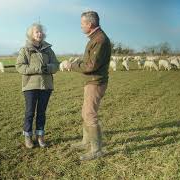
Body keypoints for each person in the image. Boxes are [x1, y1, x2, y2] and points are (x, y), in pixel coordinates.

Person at [66, 11, 111, 161]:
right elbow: (89, 60)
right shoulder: (95, 38)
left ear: (90, 24)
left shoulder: (100, 40)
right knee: (85, 112)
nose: (81, 27)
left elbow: (90, 65)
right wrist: (77, 62)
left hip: (96, 82)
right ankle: (86, 142)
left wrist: (71, 65)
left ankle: (97, 150)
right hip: (91, 81)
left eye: (82, 24)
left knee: (90, 115)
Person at [16, 23, 59, 148]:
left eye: (41, 32)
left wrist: (48, 68)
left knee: (41, 112)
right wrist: (37, 68)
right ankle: (28, 136)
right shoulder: (25, 50)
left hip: (46, 86)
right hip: (30, 86)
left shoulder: (48, 50)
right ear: (31, 34)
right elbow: (20, 67)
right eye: (36, 32)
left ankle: (40, 136)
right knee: (30, 112)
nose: (39, 34)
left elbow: (56, 65)